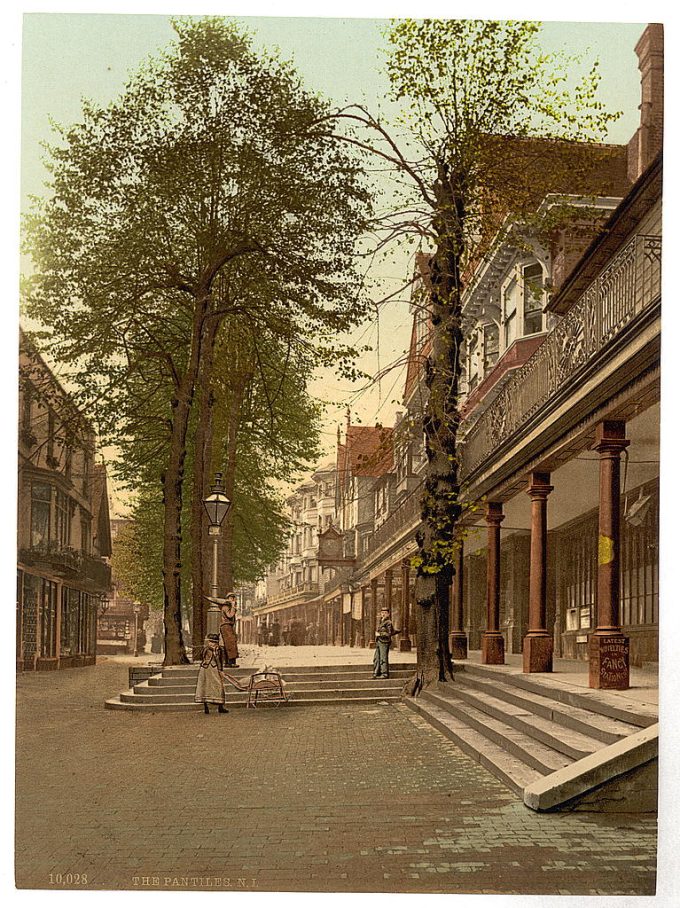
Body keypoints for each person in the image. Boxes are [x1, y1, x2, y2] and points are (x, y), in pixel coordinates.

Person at [194, 634, 228, 715]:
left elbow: (220, 660)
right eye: (210, 642)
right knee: (205, 686)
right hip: (205, 669)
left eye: (214, 642)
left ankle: (220, 706)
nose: (212, 644)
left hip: (214, 669)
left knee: (219, 686)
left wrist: (221, 670)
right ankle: (206, 707)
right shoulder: (206, 649)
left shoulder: (219, 650)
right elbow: (201, 656)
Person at [204, 592, 239, 666]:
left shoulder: (226, 606)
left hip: (228, 626)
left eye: (234, 597)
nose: (233, 599)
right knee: (230, 643)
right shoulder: (226, 607)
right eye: (231, 597)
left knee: (229, 644)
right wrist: (233, 606)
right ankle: (230, 662)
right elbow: (230, 615)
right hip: (226, 626)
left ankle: (228, 662)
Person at [373, 606, 400, 679]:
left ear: (388, 614)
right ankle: (376, 673)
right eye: (382, 613)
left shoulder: (388, 622)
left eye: (385, 613)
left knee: (383, 657)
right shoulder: (381, 621)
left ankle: (384, 674)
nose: (383, 614)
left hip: (384, 642)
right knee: (376, 658)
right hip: (379, 641)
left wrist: (380, 634)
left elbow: (389, 633)